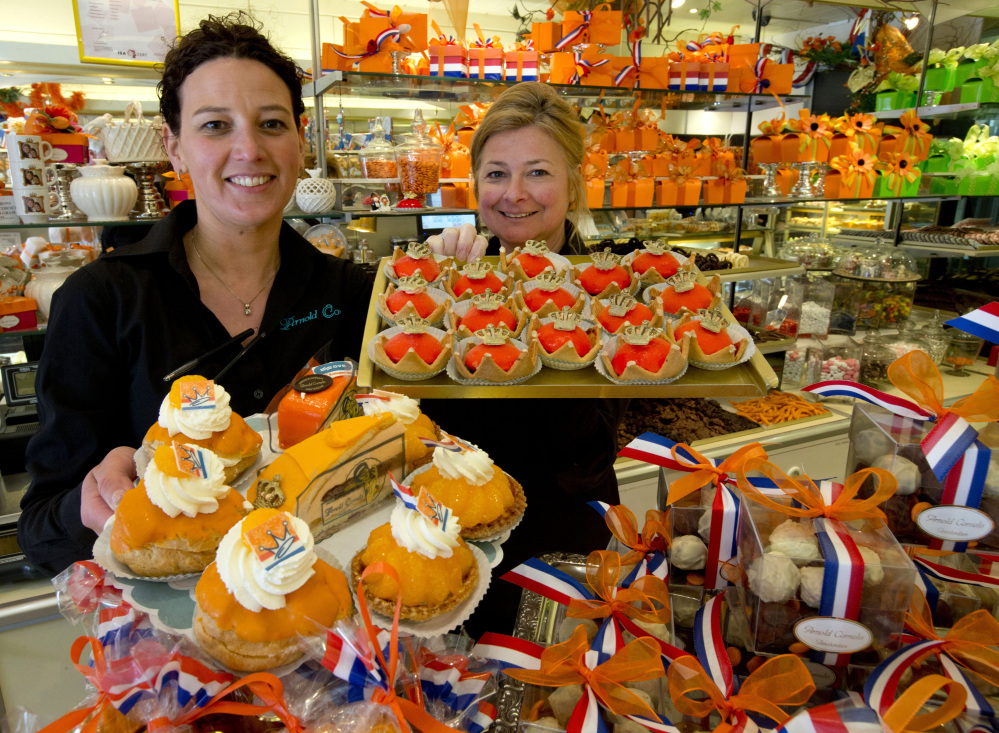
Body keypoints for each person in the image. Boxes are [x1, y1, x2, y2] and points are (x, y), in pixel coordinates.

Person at [18, 12, 372, 576]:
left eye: (272, 124)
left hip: (332, 627)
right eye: (214, 126)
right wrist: (90, 501)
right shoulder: (103, 300)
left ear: (300, 142)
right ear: (174, 145)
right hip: (173, 644)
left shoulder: (350, 291)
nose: (249, 149)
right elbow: (39, 531)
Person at [424, 82, 628, 634]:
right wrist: (437, 291)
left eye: (537, 171)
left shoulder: (608, 292)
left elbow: (586, 460)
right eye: (496, 173)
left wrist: (546, 335)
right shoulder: (453, 280)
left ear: (574, 186)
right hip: (452, 542)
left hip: (557, 551)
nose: (514, 193)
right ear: (475, 185)